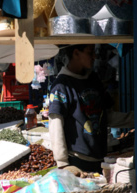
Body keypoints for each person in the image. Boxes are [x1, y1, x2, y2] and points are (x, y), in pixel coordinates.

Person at [48, 44, 134, 175]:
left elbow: (107, 116)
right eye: (90, 52)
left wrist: (133, 119)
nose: (95, 56)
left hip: (101, 157)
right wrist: (63, 164)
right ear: (76, 53)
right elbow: (56, 124)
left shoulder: (94, 79)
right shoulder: (61, 86)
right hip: (77, 161)